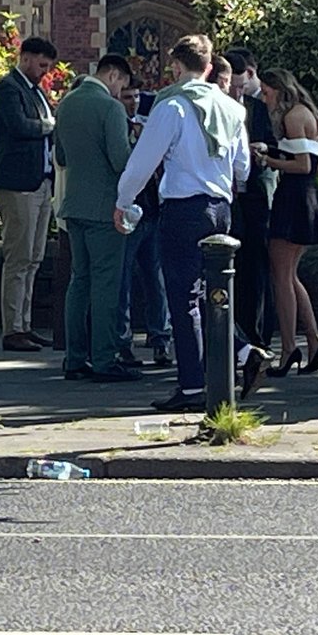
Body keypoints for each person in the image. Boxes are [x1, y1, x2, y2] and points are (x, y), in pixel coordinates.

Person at [112, 33, 269, 414]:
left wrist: (123, 201)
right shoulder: (233, 109)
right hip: (221, 207)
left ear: (177, 67)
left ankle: (193, 384)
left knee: (184, 300)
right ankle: (245, 352)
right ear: (210, 67)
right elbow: (243, 169)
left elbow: (143, 160)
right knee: (213, 295)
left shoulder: (173, 107)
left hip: (184, 209)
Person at [53, 52, 139, 382]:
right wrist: (135, 143)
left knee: (79, 281)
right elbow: (120, 161)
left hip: (74, 205)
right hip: (105, 209)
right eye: (122, 85)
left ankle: (74, 358)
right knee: (106, 283)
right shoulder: (110, 108)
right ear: (113, 76)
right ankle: (104, 358)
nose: (121, 93)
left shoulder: (68, 103)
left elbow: (60, 155)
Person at [255, 68, 318, 374]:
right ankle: (313, 340)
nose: (264, 97)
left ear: (279, 89)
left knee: (281, 275)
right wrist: (274, 151)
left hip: (294, 197)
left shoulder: (292, 117)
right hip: (307, 197)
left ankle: (290, 348)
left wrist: (266, 160)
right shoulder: (308, 114)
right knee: (289, 274)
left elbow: (302, 165)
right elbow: (316, 163)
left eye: (266, 91)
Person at [0, 35, 59, 352]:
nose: (44, 71)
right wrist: (49, 125)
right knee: (18, 258)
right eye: (42, 65)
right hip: (17, 183)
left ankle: (25, 324)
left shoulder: (35, 91)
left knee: (34, 258)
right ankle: (12, 328)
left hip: (40, 182)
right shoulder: (8, 88)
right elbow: (19, 126)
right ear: (26, 57)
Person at [115, 85, 172, 368]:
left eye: (137, 97)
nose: (133, 102)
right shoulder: (117, 127)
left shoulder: (151, 126)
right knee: (123, 279)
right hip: (128, 213)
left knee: (156, 279)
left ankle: (161, 339)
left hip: (152, 210)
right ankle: (123, 343)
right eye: (127, 97)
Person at [224, 47, 277, 348]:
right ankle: (234, 338)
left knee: (256, 268)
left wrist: (264, 150)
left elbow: (274, 144)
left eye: (241, 87)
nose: (237, 92)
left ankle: (257, 336)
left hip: (254, 198)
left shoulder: (257, 109)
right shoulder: (217, 108)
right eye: (232, 86)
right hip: (228, 199)